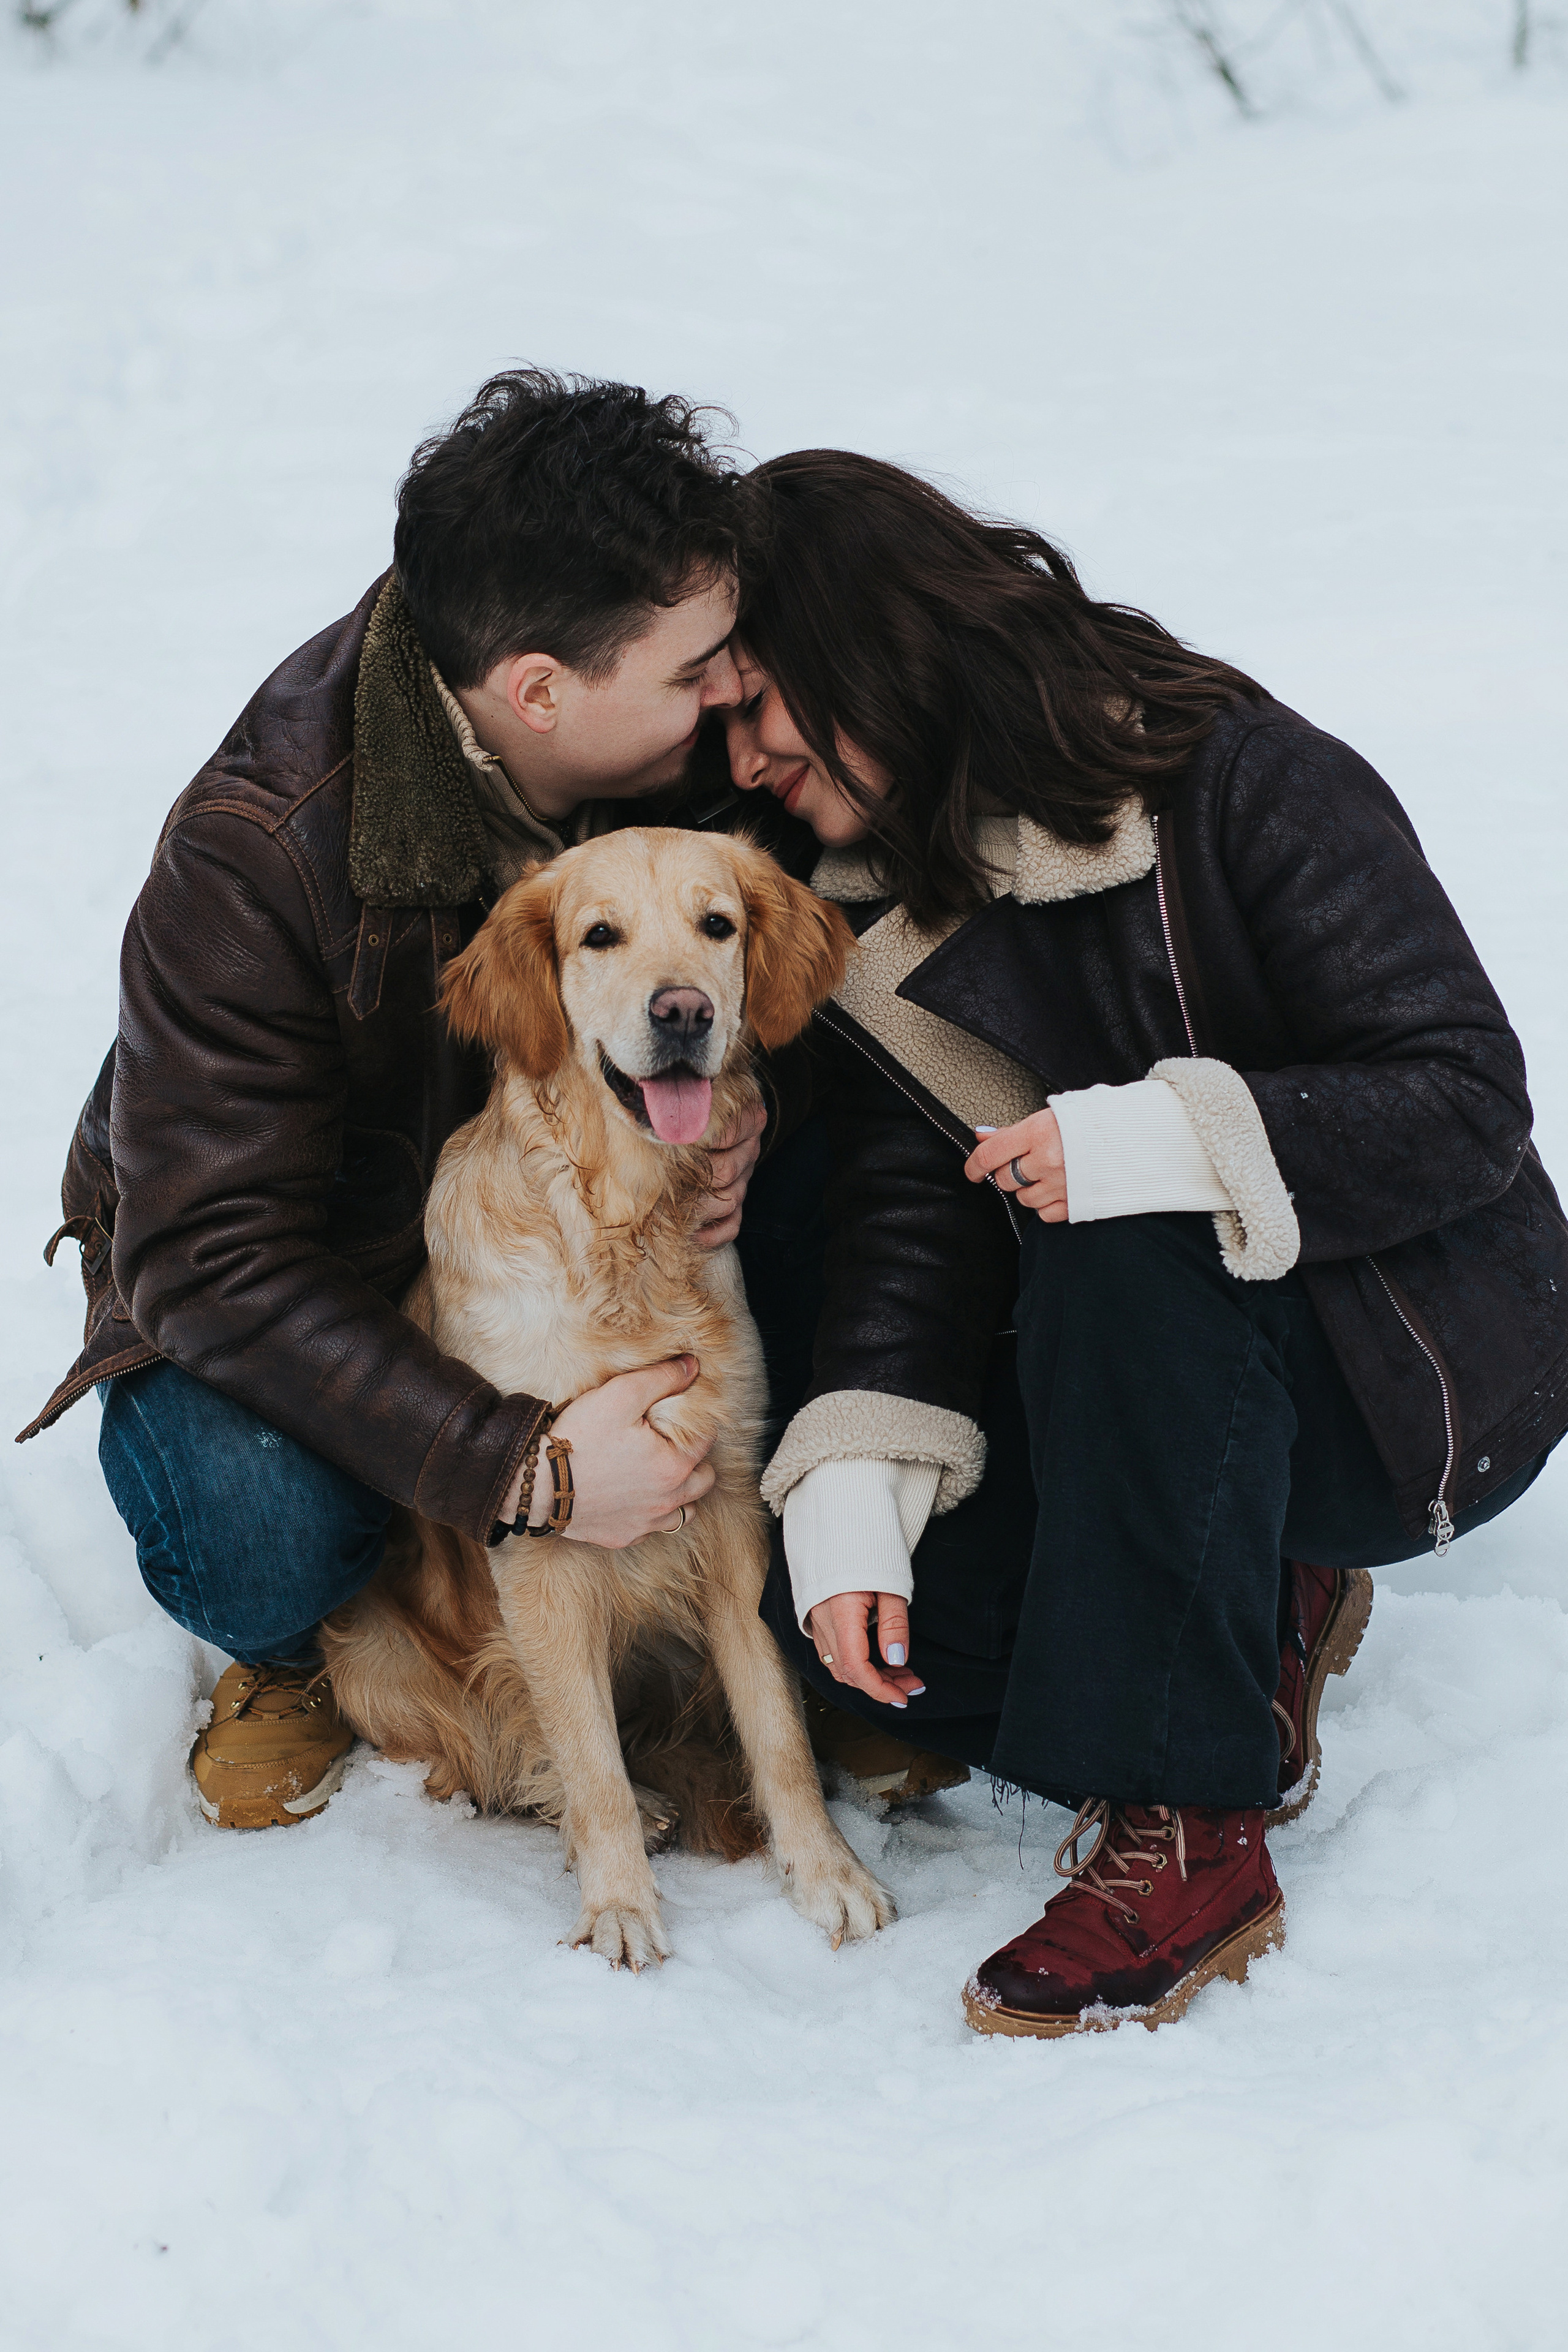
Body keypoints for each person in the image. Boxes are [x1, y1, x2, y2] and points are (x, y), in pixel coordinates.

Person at [722, 448, 1568, 2036]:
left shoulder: (1237, 776)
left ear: (864, 648)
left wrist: (1159, 1141)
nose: (746, 754)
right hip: (1135, 1380)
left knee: (1126, 1213)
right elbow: (917, 1210)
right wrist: (856, 1481)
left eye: (762, 700)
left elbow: (1465, 1095)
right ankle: (1244, 1621)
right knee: (882, 1645)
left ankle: (1191, 1830)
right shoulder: (860, 903)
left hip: (1404, 1379)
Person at [19, 369, 805, 1832]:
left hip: (592, 1239)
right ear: (539, 693)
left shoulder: (686, 765)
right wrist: (519, 1466)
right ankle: (294, 1659)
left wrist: (740, 1117)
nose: (731, 692)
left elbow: (775, 981)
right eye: (694, 669)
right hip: (329, 1284)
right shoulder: (255, 854)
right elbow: (208, 1262)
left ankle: (746, 1661)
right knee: (261, 1522)